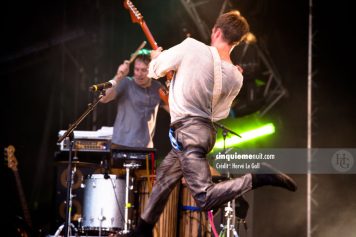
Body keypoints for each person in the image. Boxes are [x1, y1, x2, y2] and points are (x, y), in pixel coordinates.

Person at [134, 11, 297, 237]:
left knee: (204, 197)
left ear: (216, 31)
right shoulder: (235, 76)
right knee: (163, 179)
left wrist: (155, 57)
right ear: (237, 42)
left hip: (188, 132)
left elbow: (154, 71)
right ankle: (142, 231)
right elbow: (219, 113)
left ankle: (257, 177)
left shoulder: (191, 47)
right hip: (202, 131)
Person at [100, 53, 167, 149]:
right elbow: (103, 98)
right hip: (121, 144)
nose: (139, 74)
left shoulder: (157, 87)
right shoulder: (126, 82)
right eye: (137, 69)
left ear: (151, 70)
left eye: (144, 70)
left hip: (146, 147)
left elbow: (173, 109)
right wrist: (118, 76)